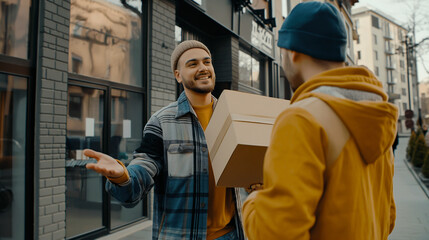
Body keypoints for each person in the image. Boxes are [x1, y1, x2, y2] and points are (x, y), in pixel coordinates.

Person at [242, 2, 398, 239]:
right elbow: (387, 217)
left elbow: (276, 232)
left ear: (292, 52)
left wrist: (254, 202)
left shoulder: (302, 118)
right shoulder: (375, 116)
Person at [85, 40, 244, 240]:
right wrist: (122, 177)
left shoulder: (230, 115)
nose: (203, 68)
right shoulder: (161, 121)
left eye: (207, 62)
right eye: (193, 64)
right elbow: (144, 167)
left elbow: (245, 171)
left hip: (231, 234)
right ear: (178, 75)